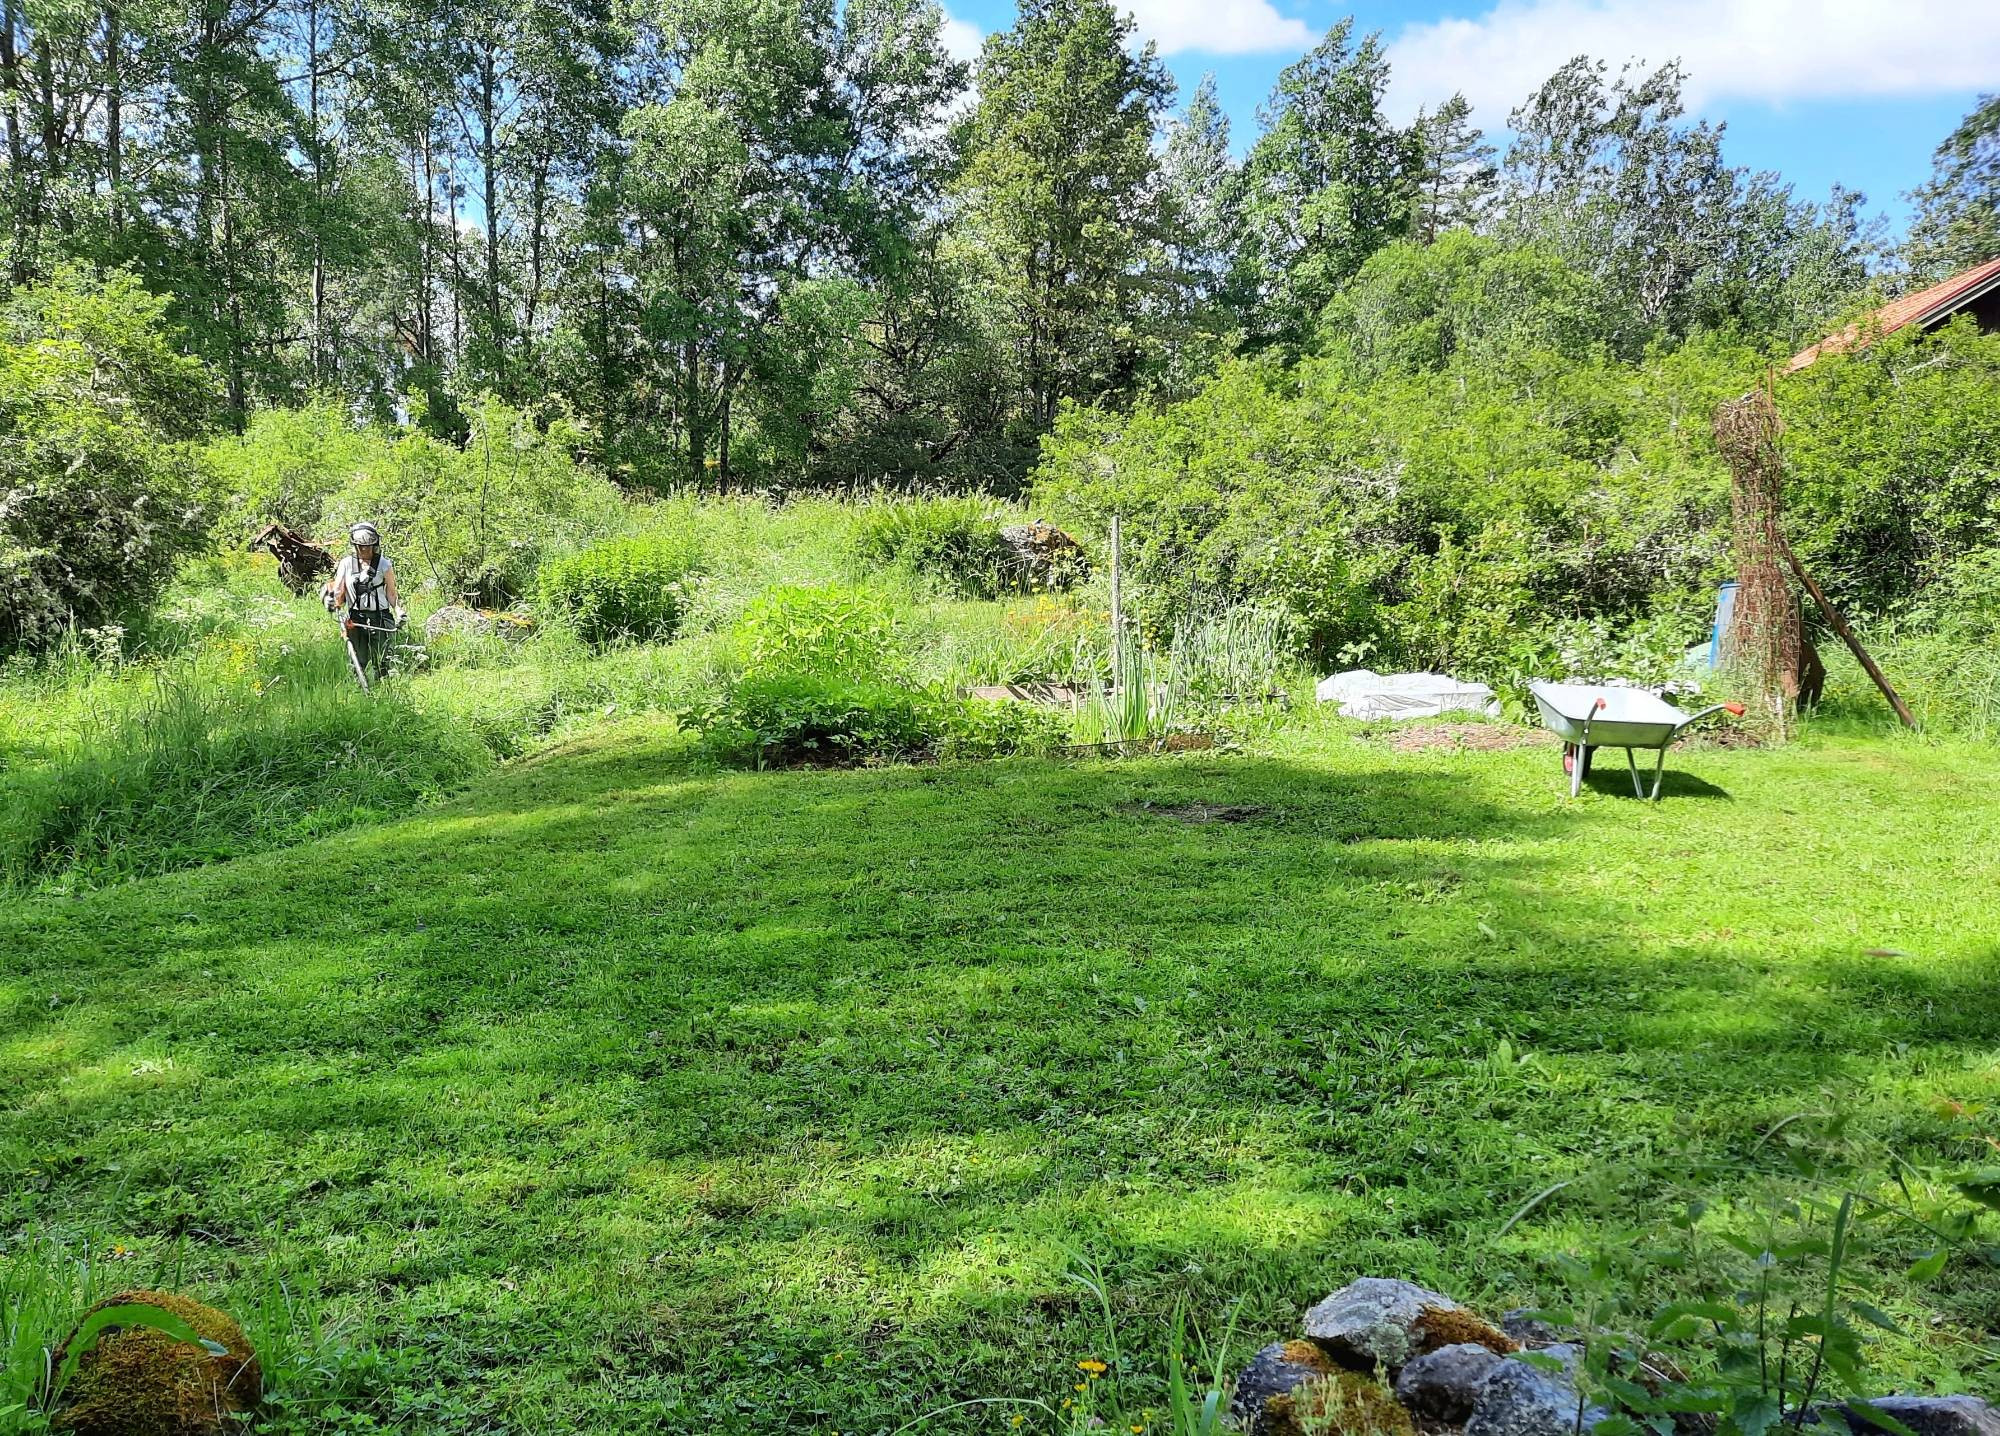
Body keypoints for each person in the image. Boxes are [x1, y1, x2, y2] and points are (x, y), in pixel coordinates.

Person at [321, 521, 406, 685]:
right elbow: (339, 590)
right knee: (357, 662)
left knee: (382, 661)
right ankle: (360, 693)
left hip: (380, 618)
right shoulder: (346, 564)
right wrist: (332, 602)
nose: (364, 550)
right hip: (355, 620)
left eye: (368, 546)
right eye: (361, 546)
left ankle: (383, 693)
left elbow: (391, 593)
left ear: (375, 545)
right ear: (355, 545)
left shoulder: (384, 564)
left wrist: (399, 611)